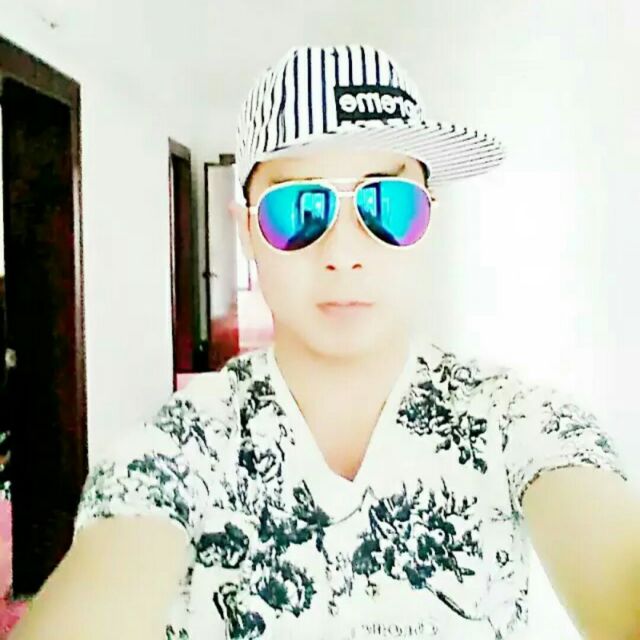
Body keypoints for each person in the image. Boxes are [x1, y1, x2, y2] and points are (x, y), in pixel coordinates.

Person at [10, 45, 640, 640]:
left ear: (429, 221)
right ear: (248, 231)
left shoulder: (515, 422)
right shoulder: (180, 447)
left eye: (388, 203)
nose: (343, 253)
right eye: (298, 209)